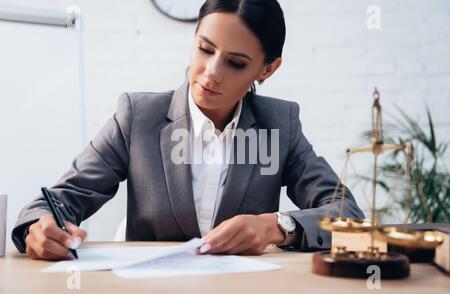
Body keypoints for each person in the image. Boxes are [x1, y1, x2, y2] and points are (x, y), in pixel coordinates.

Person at [12, 0, 364, 261]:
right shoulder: (138, 117)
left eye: (236, 63)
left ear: (267, 70)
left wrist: (275, 227)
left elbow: (348, 214)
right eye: (205, 49)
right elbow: (53, 202)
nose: (211, 72)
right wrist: (37, 227)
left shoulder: (280, 124)